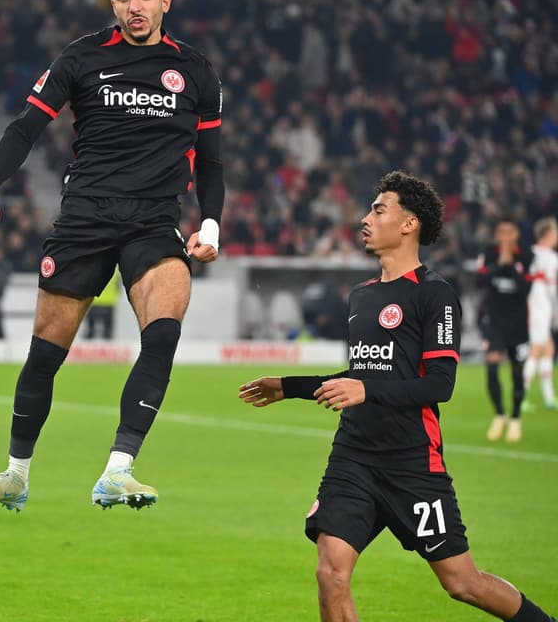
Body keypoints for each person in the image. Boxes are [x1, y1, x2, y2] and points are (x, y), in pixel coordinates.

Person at [0, 0, 224, 512]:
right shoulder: (81, 57)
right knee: (44, 356)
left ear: (165, 1)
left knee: (163, 330)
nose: (135, 6)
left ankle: (119, 469)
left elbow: (213, 161)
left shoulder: (196, 71)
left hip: (154, 221)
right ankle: (15, 474)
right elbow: (25, 127)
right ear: (113, 4)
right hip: (84, 218)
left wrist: (209, 225)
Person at [238, 171, 556, 622]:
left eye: (378, 209)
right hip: (353, 459)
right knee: (331, 572)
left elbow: (438, 384)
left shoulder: (435, 295)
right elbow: (363, 375)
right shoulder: (360, 296)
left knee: (462, 584)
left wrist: (365, 388)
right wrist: (288, 387)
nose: (365, 219)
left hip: (412, 463)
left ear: (409, 225)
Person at [475, 219, 534, 442]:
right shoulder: (489, 253)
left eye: (510, 231)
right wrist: (500, 264)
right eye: (501, 232)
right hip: (494, 322)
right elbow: (480, 281)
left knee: (517, 374)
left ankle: (516, 418)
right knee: (491, 368)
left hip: (518, 324)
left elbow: (526, 289)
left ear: (517, 233)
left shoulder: (527, 256)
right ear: (497, 234)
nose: (506, 236)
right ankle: (499, 414)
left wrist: (511, 266)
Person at [524, 216, 558, 412]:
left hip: (532, 304)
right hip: (541, 306)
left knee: (548, 349)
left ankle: (548, 397)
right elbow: (553, 290)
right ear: (548, 234)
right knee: (537, 350)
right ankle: (522, 397)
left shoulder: (529, 253)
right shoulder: (551, 258)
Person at [84, 269, 121, 340]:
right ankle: (108, 349)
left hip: (94, 302)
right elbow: (118, 288)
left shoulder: (92, 270)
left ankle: (89, 350)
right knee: (108, 332)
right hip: (109, 303)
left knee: (90, 331)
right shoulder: (115, 272)